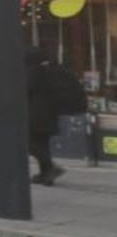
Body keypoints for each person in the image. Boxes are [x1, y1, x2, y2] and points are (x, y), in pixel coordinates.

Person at [26, 45, 85, 186]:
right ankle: (46, 175)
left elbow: (27, 89)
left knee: (28, 143)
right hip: (49, 113)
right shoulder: (50, 70)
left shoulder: (33, 71)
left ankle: (51, 168)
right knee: (42, 144)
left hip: (35, 114)